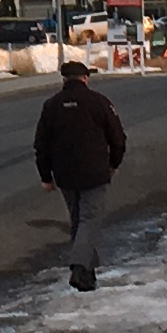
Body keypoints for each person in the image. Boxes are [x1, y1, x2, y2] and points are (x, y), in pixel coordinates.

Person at [32, 57, 128, 290]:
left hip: (64, 173)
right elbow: (118, 138)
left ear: (64, 80)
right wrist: (113, 164)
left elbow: (41, 144)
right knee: (90, 219)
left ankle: (87, 276)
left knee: (78, 220)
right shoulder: (99, 102)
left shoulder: (51, 105)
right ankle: (79, 266)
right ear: (85, 79)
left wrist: (46, 176)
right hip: (94, 170)